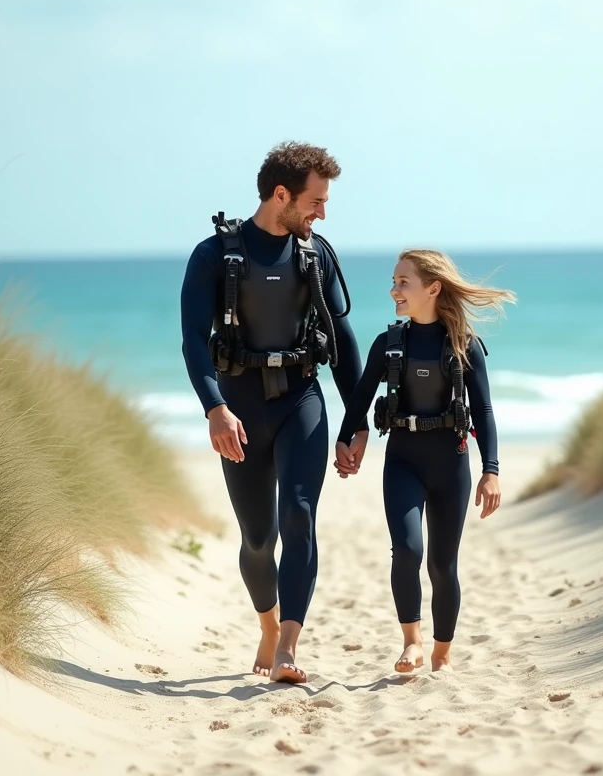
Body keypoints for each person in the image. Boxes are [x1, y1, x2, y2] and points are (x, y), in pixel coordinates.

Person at [179, 141, 369, 684]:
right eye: (316, 200)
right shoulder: (214, 256)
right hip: (237, 410)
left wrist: (354, 423)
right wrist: (215, 408)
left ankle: (287, 645)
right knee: (259, 539)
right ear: (280, 195)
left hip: (300, 401)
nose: (323, 213)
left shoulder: (317, 253)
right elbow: (193, 340)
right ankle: (266, 625)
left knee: (300, 516)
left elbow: (343, 340)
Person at [332, 249, 515, 673]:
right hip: (402, 461)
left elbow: (484, 410)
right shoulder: (389, 344)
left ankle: (442, 652)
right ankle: (411, 642)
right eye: (394, 282)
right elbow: (359, 398)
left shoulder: (464, 345)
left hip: (451, 464)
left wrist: (492, 471)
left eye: (403, 282)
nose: (393, 290)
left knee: (442, 564)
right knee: (408, 550)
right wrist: (346, 440)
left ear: (432, 288)